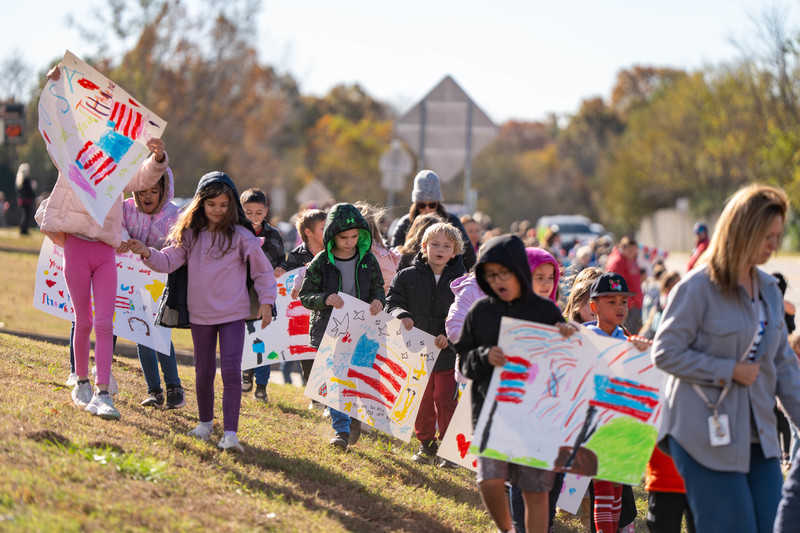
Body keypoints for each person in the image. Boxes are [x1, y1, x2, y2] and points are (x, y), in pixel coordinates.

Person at [652, 184, 800, 533]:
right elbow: (665, 352)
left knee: (771, 524)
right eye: (768, 236)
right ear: (744, 230)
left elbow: (783, 366)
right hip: (701, 434)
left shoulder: (768, 291)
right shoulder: (696, 287)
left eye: (778, 236)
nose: (774, 246)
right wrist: (727, 370)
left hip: (758, 435)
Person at [128, 172, 277, 453]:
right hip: (200, 315)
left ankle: (230, 434)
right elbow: (169, 260)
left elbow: (262, 272)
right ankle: (205, 424)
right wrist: (147, 253)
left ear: (232, 204)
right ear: (201, 204)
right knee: (203, 372)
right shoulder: (189, 234)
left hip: (233, 314)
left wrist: (267, 302)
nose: (218, 210)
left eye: (224, 204)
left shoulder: (242, 236)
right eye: (212, 205)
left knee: (231, 371)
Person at [455, 234, 577, 533]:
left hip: (535, 416)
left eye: (504, 272)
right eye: (490, 274)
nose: (497, 280)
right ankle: (507, 529)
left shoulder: (546, 312)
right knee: (489, 481)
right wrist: (485, 356)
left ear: (519, 270)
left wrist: (566, 337)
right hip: (491, 413)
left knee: (536, 491)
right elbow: (465, 362)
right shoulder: (480, 313)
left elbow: (566, 364)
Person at [299, 203, 385, 451]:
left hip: (363, 330)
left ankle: (354, 416)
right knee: (335, 379)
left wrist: (379, 300)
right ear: (331, 236)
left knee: (358, 377)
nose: (349, 242)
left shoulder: (368, 259)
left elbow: (378, 288)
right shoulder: (321, 261)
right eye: (343, 237)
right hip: (331, 330)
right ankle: (341, 430)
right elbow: (306, 295)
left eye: (354, 237)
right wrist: (325, 298)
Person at [386, 222, 466, 466]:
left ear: (455, 252)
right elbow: (392, 301)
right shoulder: (407, 276)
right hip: (417, 351)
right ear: (423, 247)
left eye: (446, 246)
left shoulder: (463, 282)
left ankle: (449, 449)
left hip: (447, 352)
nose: (440, 249)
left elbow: (466, 314)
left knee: (445, 397)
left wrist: (448, 336)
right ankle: (426, 444)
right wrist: (401, 314)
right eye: (434, 244)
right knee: (420, 397)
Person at [583, 271, 651, 533]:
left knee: (616, 489)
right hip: (595, 427)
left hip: (624, 426)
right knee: (602, 488)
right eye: (611, 302)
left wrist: (644, 354)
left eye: (623, 301)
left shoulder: (631, 343)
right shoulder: (583, 339)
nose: (620, 307)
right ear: (593, 307)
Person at [120, 168, 185, 409]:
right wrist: (125, 240)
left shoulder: (173, 215)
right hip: (131, 281)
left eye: (154, 191)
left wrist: (151, 253)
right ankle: (154, 390)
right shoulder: (126, 209)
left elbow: (177, 248)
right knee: (141, 333)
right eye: (142, 191)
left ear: (164, 190)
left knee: (159, 334)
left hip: (161, 282)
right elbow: (116, 227)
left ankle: (174, 387)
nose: (148, 196)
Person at [238, 188, 287, 403]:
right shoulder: (237, 231)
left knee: (264, 340)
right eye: (248, 212)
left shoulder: (273, 234)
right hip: (241, 292)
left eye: (259, 213)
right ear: (241, 211)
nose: (254, 218)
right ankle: (246, 370)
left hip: (265, 294)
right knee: (246, 338)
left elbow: (281, 259)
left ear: (266, 211)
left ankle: (262, 387)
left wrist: (281, 268)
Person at [388, 169, 476, 269]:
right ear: (416, 204)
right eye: (422, 205)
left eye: (432, 205)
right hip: (412, 277)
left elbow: (468, 254)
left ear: (438, 203)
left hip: (446, 276)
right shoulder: (405, 223)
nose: (427, 209)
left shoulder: (452, 221)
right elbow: (394, 256)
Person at [284, 208, 327, 390]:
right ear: (308, 232)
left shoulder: (333, 252)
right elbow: (287, 284)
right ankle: (314, 393)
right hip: (301, 316)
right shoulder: (295, 255)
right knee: (306, 357)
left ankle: (326, 397)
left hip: (325, 312)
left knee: (325, 357)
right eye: (323, 228)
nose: (328, 232)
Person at [355, 201, 400, 296]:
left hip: (370, 307)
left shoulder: (381, 256)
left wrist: (377, 300)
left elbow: (388, 287)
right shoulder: (338, 251)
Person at [604, 236, 643, 334]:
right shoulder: (617, 262)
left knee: (634, 335)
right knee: (626, 336)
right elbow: (615, 287)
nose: (633, 253)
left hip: (634, 304)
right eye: (630, 251)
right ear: (622, 248)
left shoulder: (631, 259)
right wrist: (625, 303)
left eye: (634, 251)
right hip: (626, 306)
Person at [15, 163, 36, 235]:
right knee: (26, 217)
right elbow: (30, 191)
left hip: (21, 201)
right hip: (27, 201)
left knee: (22, 216)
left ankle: (22, 230)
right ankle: (24, 231)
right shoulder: (26, 180)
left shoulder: (19, 180)